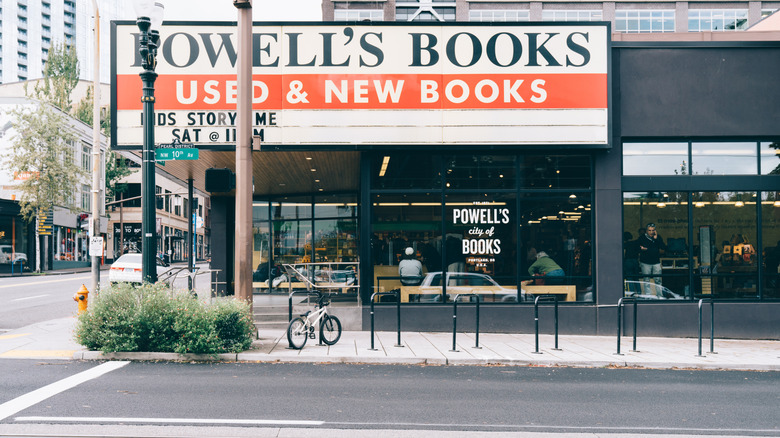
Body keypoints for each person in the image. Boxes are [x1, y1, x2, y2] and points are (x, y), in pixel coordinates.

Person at [638, 222, 666, 296]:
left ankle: (660, 295)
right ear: (647, 231)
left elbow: (663, 247)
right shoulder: (642, 238)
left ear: (655, 230)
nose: (651, 232)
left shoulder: (657, 237)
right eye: (649, 230)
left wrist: (656, 239)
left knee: (658, 280)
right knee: (646, 280)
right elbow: (638, 248)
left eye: (653, 230)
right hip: (645, 262)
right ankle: (648, 296)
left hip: (656, 261)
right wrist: (643, 249)